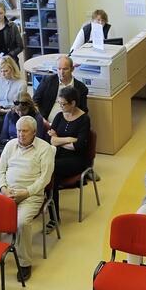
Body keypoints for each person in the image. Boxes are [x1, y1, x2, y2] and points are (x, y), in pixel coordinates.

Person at [0, 116, 55, 282]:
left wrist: (26, 192)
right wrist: (3, 188)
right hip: (7, 192)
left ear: (34, 132)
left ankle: (24, 263)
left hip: (31, 195)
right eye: (19, 130)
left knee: (21, 222)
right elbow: (0, 172)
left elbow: (44, 179)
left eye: (25, 131)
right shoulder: (10, 145)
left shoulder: (45, 149)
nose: (20, 134)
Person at [48, 86, 91, 225]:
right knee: (46, 169)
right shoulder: (60, 116)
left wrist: (58, 140)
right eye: (59, 103)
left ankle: (53, 218)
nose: (60, 106)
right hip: (59, 155)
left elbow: (79, 146)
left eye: (63, 104)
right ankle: (51, 212)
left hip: (77, 159)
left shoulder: (84, 119)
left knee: (50, 170)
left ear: (73, 103)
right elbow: (51, 140)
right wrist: (68, 139)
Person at [33, 55, 88, 121]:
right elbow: (34, 102)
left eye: (65, 69)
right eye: (59, 69)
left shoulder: (81, 88)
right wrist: (42, 120)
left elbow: (83, 111)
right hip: (46, 121)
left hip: (69, 124)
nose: (61, 72)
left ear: (72, 69)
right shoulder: (47, 81)